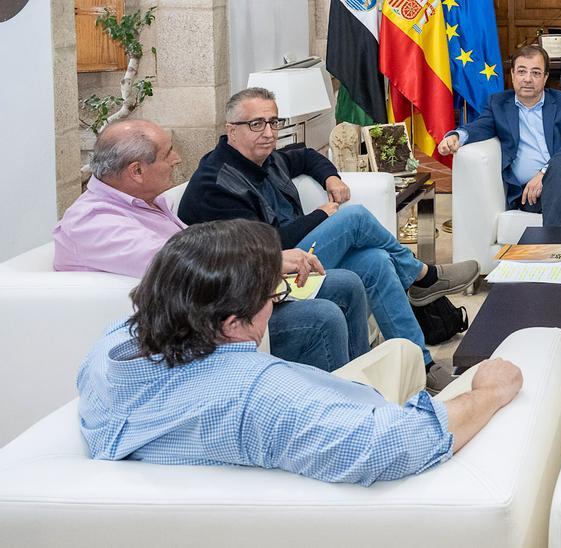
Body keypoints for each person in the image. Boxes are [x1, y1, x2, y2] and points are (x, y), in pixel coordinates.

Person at [76, 219, 523, 485]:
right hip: (351, 422)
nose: (275, 303)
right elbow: (398, 444)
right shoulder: (260, 395)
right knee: (416, 358)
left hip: (311, 410)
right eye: (272, 295)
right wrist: (487, 392)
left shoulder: (114, 345)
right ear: (231, 323)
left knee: (403, 351)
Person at [177, 88, 479, 372]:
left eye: (273, 122)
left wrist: (331, 178)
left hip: (300, 258)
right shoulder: (217, 184)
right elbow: (266, 247)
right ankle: (424, 276)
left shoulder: (264, 157)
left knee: (376, 261)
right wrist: (319, 215)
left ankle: (419, 366)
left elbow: (307, 156)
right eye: (256, 124)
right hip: (264, 273)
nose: (269, 133)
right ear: (231, 130)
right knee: (355, 218)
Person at [54, 119, 369, 372]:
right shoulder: (91, 222)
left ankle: (361, 391)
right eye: (168, 153)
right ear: (136, 171)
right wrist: (267, 262)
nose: (177, 159)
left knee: (346, 283)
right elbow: (180, 262)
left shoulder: (144, 202)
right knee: (323, 316)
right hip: (197, 328)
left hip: (223, 300)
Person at [437, 45, 561, 228]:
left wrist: (544, 173)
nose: (528, 79)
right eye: (522, 71)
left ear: (545, 78)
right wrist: (456, 136)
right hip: (531, 193)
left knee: (559, 164)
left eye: (536, 73)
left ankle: (550, 245)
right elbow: (480, 127)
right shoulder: (498, 104)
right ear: (513, 74)